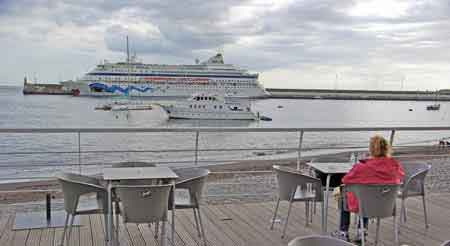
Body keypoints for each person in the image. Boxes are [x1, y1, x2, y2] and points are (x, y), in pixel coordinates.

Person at [332, 135, 404, 242]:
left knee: (346, 193)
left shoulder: (362, 167)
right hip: (385, 205)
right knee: (366, 194)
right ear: (386, 148)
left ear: (371, 149)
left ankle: (343, 232)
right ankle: (362, 231)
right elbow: (400, 178)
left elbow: (345, 180)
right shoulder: (395, 165)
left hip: (366, 203)